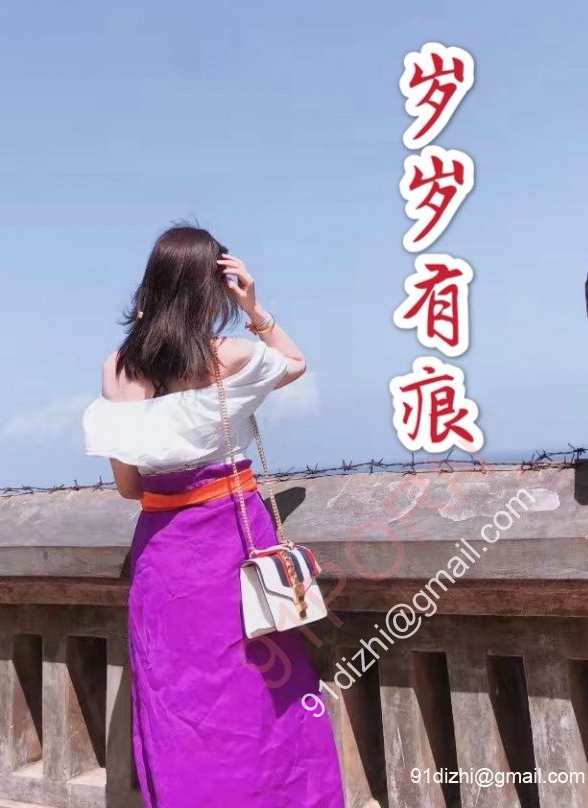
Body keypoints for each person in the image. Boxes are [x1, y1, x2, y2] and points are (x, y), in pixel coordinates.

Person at [82, 224, 344, 808]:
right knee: (262, 692)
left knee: (178, 699)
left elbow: (130, 487)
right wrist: (254, 307)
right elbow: (295, 362)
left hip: (165, 554)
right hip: (236, 540)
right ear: (212, 287)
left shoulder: (117, 371)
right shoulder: (232, 355)